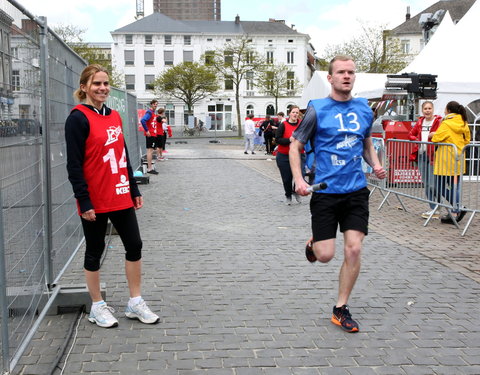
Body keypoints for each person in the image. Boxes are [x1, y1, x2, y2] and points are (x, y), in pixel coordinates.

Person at [289, 55, 386, 333]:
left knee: (354, 248)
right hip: (325, 192)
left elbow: (365, 143)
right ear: (330, 78)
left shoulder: (365, 110)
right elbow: (296, 146)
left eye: (351, 72)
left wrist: (376, 164)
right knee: (325, 255)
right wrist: (298, 179)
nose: (347, 76)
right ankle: (315, 244)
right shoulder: (317, 109)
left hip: (356, 191)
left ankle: (340, 308)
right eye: (341, 72)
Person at [65, 64, 159, 328]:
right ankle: (97, 306)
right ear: (84, 87)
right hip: (94, 198)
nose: (102, 88)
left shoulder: (114, 116)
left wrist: (133, 188)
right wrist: (83, 200)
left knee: (135, 245)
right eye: (96, 84)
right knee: (95, 250)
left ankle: (135, 302)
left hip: (119, 193)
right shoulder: (78, 118)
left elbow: (122, 155)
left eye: (105, 83)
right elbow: (74, 165)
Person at [432, 101, 471, 225]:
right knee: (455, 186)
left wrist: (433, 134)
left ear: (448, 110)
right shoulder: (463, 122)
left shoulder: (447, 123)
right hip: (459, 158)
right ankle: (456, 210)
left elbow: (436, 138)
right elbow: (467, 140)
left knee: (439, 185)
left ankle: (458, 207)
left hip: (446, 160)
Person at [408, 101, 443, 218]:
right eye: (425, 109)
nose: (427, 111)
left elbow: (441, 135)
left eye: (429, 108)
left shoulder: (438, 121)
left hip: (433, 155)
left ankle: (438, 206)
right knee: (426, 184)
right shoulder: (420, 121)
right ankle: (433, 208)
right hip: (422, 154)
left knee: (433, 183)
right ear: (422, 110)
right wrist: (418, 139)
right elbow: (410, 135)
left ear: (433, 109)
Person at [275, 105, 304, 205]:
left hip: (299, 155)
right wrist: (289, 140)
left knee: (300, 176)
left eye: (297, 112)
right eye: (293, 112)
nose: (295, 114)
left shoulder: (301, 124)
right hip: (284, 156)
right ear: (289, 113)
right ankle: (288, 195)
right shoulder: (283, 125)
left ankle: (296, 191)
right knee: (287, 178)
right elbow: (277, 139)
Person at [140, 100, 159, 174]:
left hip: (153, 134)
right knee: (150, 151)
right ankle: (149, 168)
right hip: (150, 134)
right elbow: (143, 120)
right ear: (151, 104)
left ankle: (150, 167)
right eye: (154, 104)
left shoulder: (153, 113)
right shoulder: (149, 112)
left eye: (156, 104)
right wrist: (147, 130)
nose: (155, 105)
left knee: (150, 150)